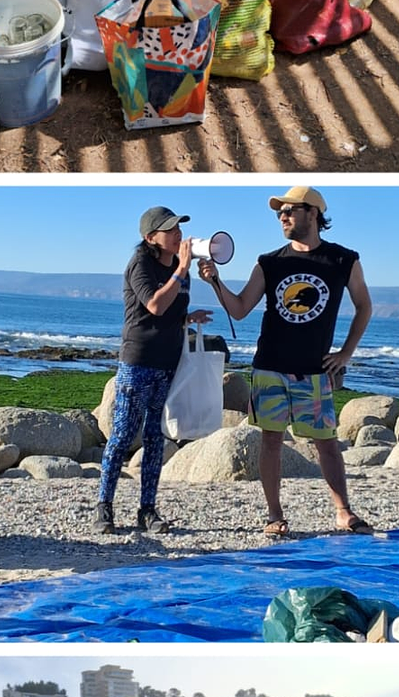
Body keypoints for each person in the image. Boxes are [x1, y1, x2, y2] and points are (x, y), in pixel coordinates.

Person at [197, 186, 375, 538]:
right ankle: (274, 515)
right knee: (271, 442)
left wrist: (345, 353)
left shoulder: (344, 260)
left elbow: (364, 306)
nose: (283, 216)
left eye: (290, 210)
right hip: (270, 365)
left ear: (314, 213)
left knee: (326, 442)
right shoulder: (270, 262)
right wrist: (215, 282)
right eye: (280, 212)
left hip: (315, 369)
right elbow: (240, 308)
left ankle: (343, 512)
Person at [96, 206, 213, 535]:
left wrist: (189, 318)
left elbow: (169, 312)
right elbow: (153, 305)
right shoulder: (141, 265)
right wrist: (183, 269)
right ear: (151, 238)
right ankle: (104, 507)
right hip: (138, 362)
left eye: (179, 228)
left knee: (154, 438)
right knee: (121, 437)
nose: (178, 234)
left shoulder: (180, 268)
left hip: (167, 363)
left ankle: (147, 510)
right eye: (170, 229)